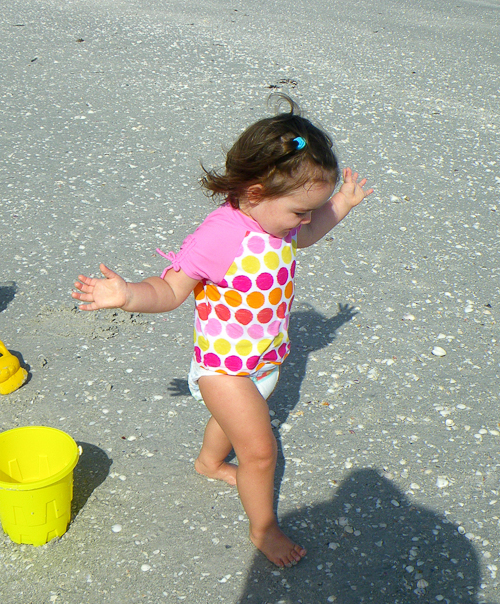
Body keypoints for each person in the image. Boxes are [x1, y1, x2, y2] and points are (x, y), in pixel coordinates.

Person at [72, 96, 373, 567]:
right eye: (301, 210)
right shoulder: (223, 234)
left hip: (266, 357)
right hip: (223, 368)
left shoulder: (279, 222)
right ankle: (264, 528)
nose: (307, 219)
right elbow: (170, 289)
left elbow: (307, 236)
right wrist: (128, 294)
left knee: (231, 426)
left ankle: (208, 463)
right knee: (259, 452)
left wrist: (341, 207)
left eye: (313, 209)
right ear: (255, 193)